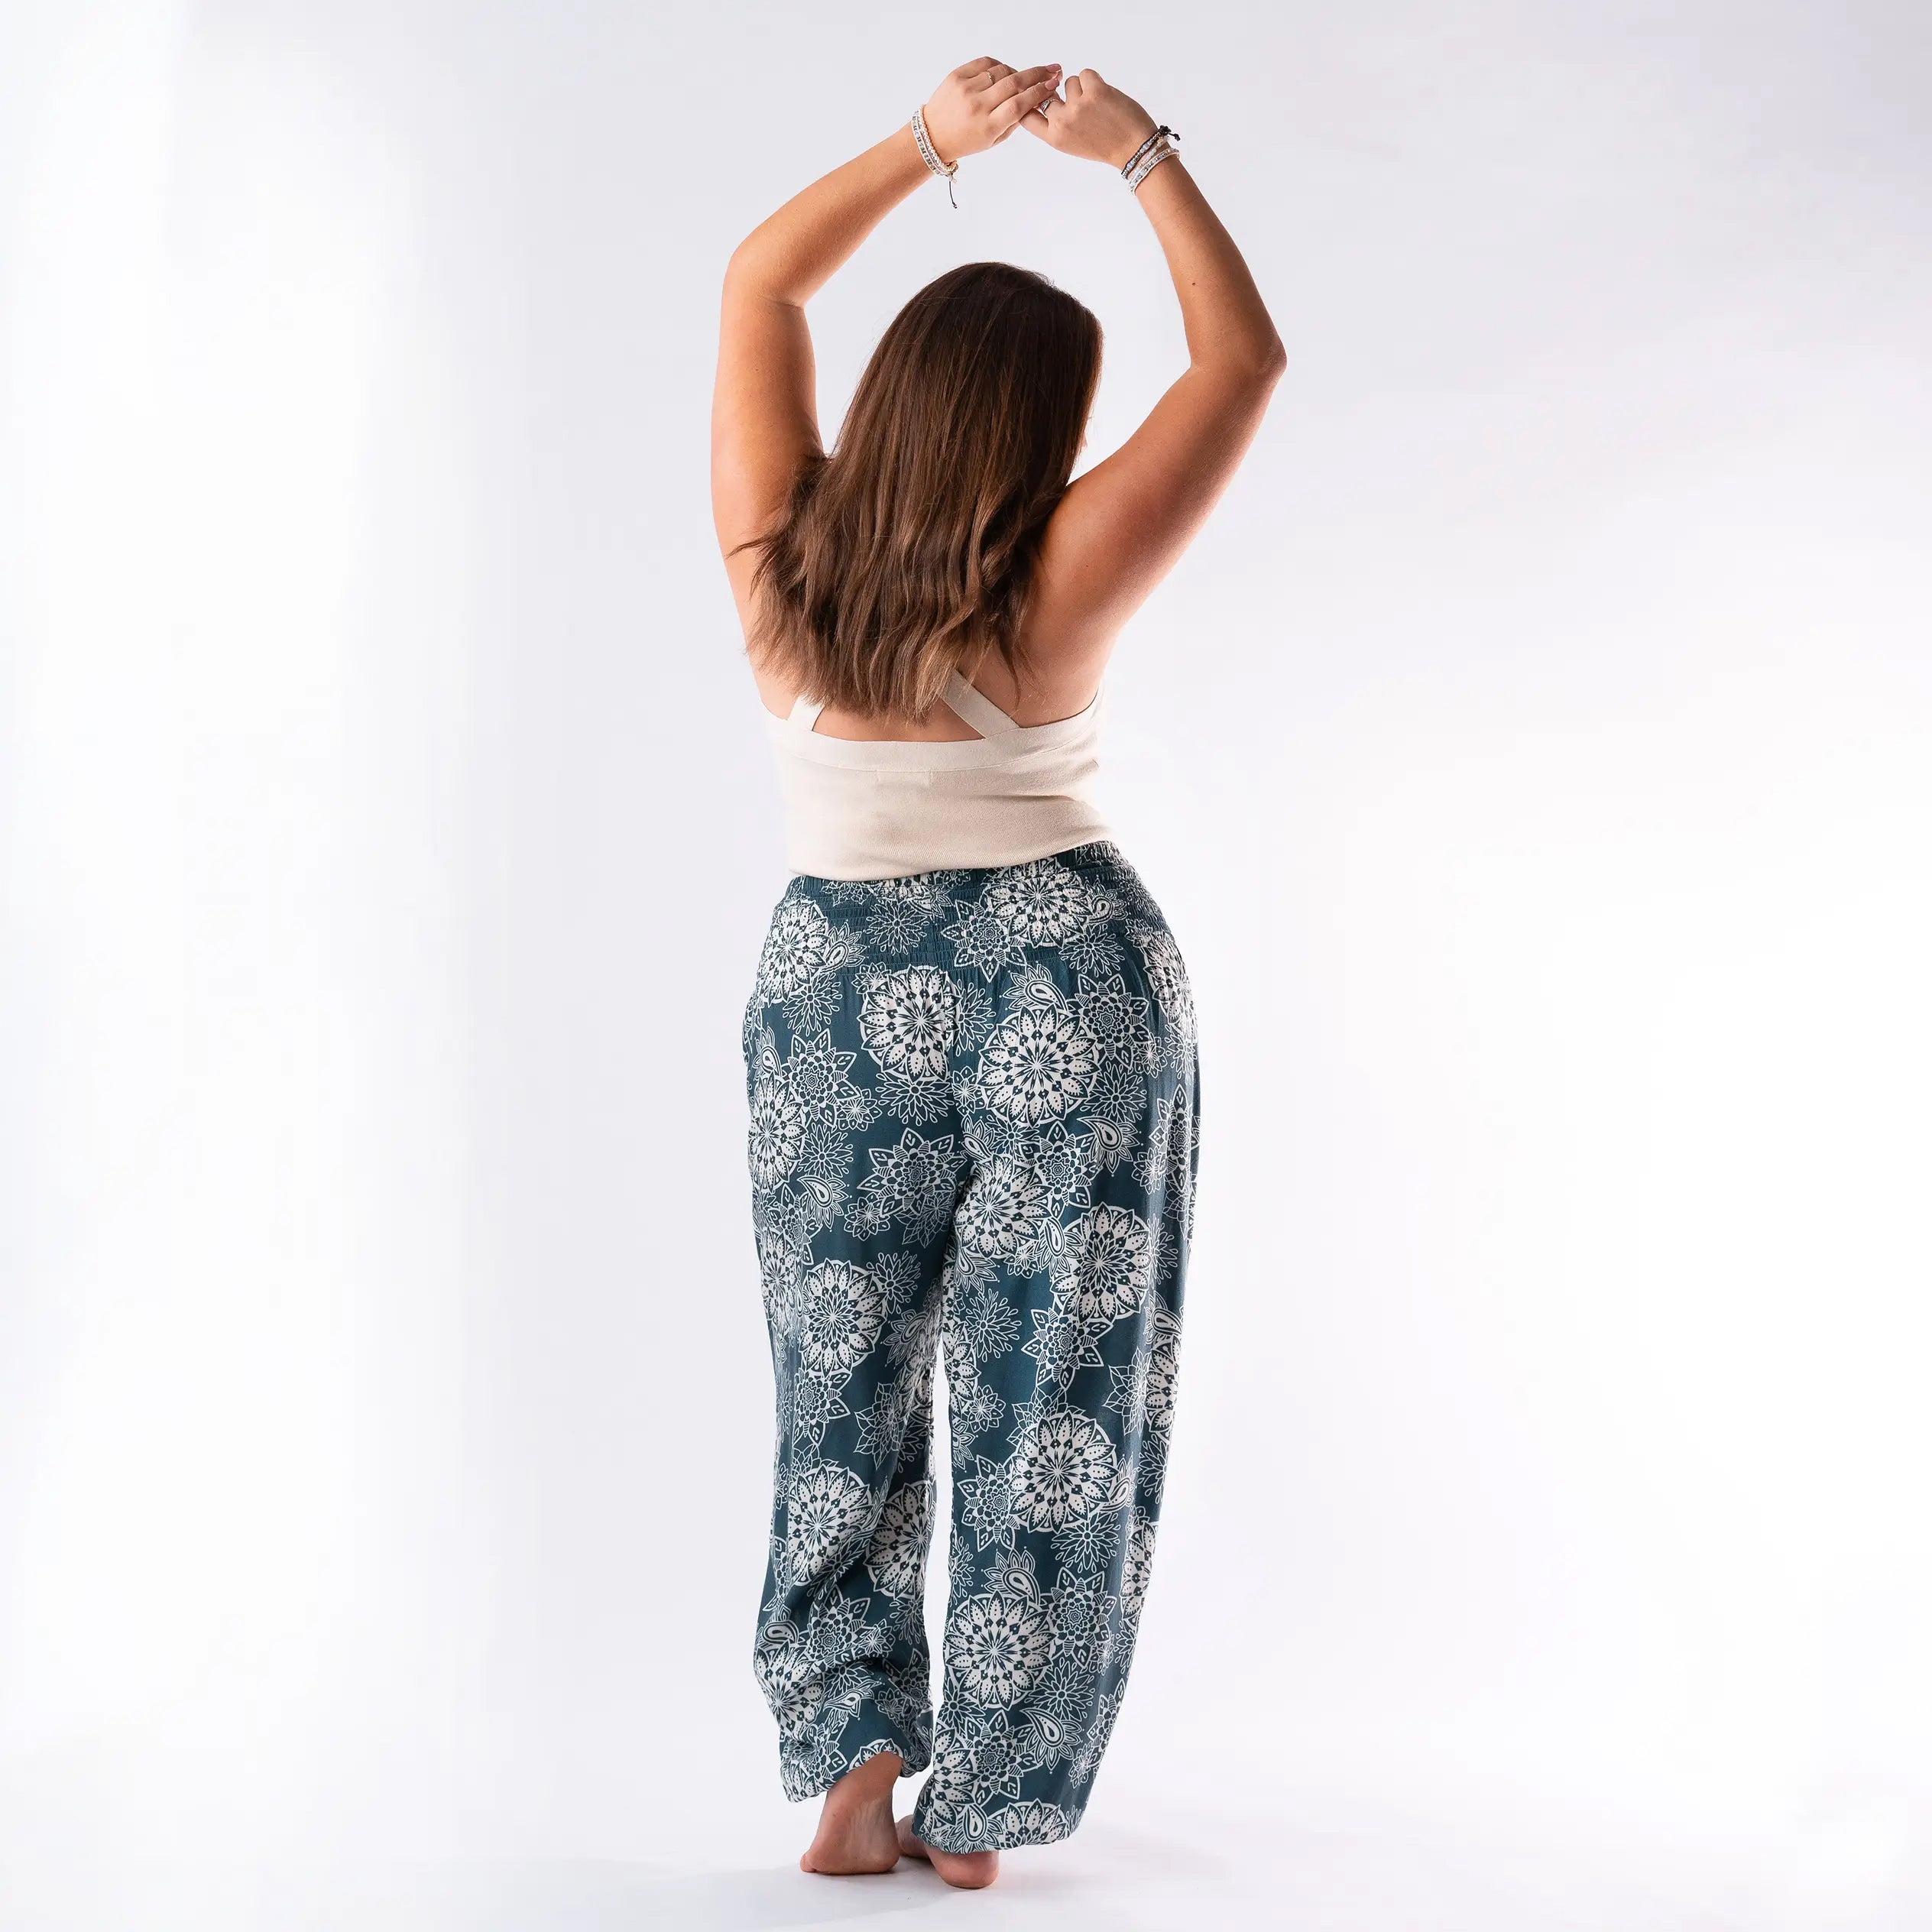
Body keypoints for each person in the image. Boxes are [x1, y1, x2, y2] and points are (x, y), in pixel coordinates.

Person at [710, 58, 1283, 1890]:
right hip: (1062, 975)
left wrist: (926, 146)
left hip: (829, 981)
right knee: (1054, 1401)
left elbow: (761, 281)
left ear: (887, 399)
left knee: (840, 1381)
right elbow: (1241, 365)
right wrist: (1140, 156)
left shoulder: (779, 566)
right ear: (1042, 431)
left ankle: (855, 1760)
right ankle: (985, 1808)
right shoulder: (1060, 573)